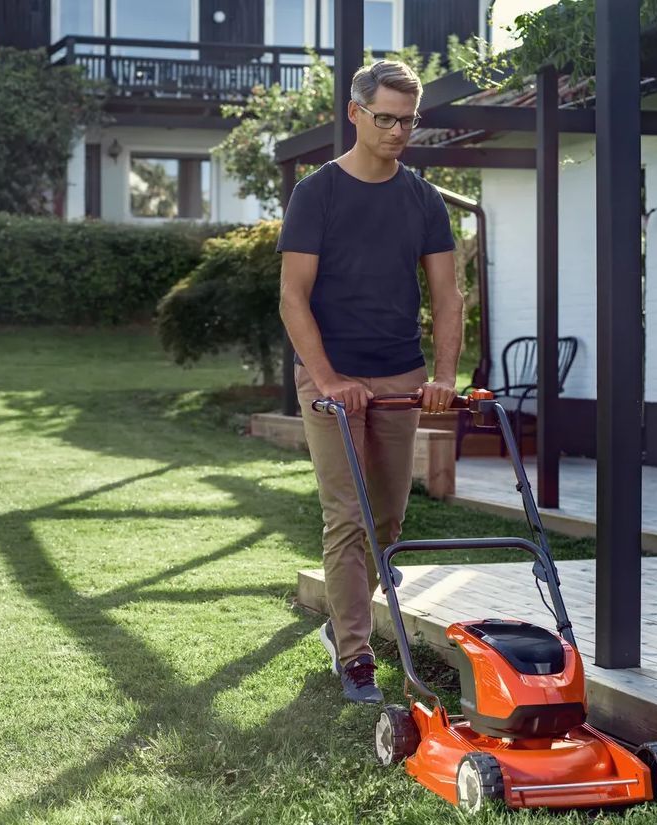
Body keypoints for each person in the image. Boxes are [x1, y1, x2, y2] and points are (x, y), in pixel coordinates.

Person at [277, 60, 463, 703]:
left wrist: (442, 376)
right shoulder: (317, 193)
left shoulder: (423, 198)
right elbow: (292, 298)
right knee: (348, 516)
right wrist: (327, 378)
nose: (397, 132)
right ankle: (355, 653)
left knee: (388, 523)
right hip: (332, 377)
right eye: (385, 118)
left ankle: (340, 623)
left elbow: (448, 296)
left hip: (399, 375)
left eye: (408, 121)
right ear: (354, 113)